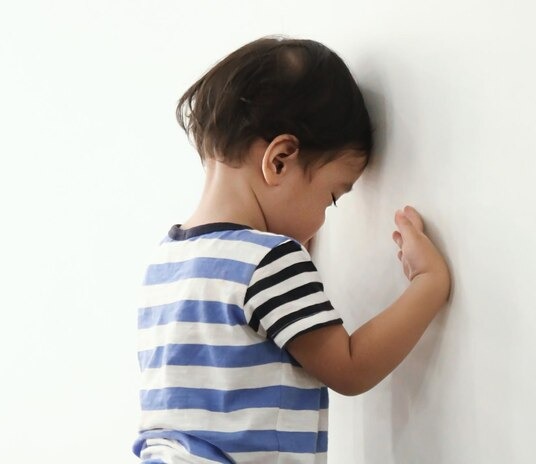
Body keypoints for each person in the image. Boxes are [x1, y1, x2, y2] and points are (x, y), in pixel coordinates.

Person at [132, 35, 451, 464]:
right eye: (331, 196)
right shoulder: (271, 261)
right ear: (279, 160)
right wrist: (429, 283)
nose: (323, 217)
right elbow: (351, 366)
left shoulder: (166, 260)